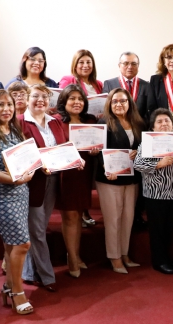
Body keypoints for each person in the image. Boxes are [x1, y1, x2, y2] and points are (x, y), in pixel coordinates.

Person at [0, 89, 34, 315]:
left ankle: (9, 286)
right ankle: (18, 292)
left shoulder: (14, 129)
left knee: (12, 244)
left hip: (21, 192)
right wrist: (14, 178)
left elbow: (25, 160)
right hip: (1, 195)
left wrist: (29, 170)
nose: (6, 109)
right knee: (23, 244)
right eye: (0, 105)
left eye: (9, 105)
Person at [17, 84, 67, 291]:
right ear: (27, 99)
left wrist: (73, 161)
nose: (41, 100)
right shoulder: (20, 122)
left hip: (54, 180)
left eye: (45, 97)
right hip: (33, 183)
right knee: (37, 231)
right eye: (35, 96)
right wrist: (39, 166)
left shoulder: (55, 121)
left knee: (38, 227)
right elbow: (19, 154)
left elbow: (63, 147)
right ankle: (48, 277)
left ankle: (29, 272)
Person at [95, 88, 145, 273]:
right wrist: (106, 168)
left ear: (129, 103)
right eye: (115, 101)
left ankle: (124, 253)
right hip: (110, 178)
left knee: (128, 218)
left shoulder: (138, 122)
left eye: (123, 101)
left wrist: (137, 153)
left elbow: (144, 147)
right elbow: (100, 151)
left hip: (132, 177)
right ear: (109, 103)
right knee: (113, 219)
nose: (119, 104)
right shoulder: (104, 123)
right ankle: (114, 257)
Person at [55, 84, 99, 278]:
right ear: (64, 102)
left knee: (79, 215)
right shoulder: (56, 121)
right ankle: (72, 258)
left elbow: (97, 145)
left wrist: (95, 150)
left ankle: (76, 254)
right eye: (72, 99)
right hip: (66, 175)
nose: (76, 102)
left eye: (80, 99)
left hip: (83, 173)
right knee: (69, 216)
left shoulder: (90, 120)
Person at [134, 108, 173, 274]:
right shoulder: (148, 141)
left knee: (170, 228)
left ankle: (166, 257)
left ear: (172, 124)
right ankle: (158, 261)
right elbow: (138, 165)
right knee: (157, 230)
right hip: (155, 194)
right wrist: (158, 164)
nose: (164, 124)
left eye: (167, 121)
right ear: (153, 127)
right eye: (160, 121)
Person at [103, 52, 151, 121]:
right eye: (126, 63)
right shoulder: (109, 84)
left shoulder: (146, 86)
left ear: (138, 66)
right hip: (116, 127)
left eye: (134, 64)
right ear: (119, 65)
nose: (130, 67)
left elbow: (148, 111)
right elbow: (106, 110)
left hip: (140, 127)